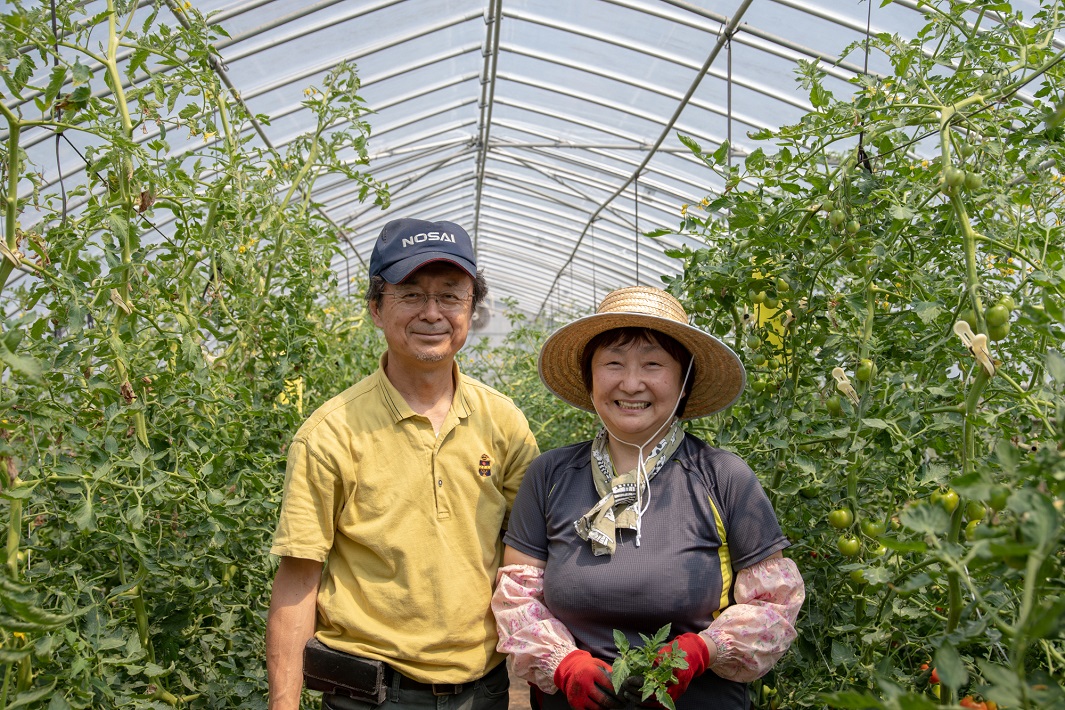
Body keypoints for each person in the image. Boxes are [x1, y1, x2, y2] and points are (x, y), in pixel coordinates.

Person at [266, 218, 540, 710]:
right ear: (376, 308)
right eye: (410, 295)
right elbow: (298, 577)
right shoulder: (332, 432)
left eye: (451, 296)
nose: (432, 313)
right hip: (369, 694)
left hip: (483, 692)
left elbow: (531, 560)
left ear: (471, 309)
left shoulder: (503, 423)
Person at [492, 286, 804, 710]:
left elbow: (776, 608)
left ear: (682, 381)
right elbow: (517, 598)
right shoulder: (551, 476)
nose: (631, 383)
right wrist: (564, 665)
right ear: (590, 378)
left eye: (653, 364)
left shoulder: (723, 476)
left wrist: (702, 651)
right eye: (613, 364)